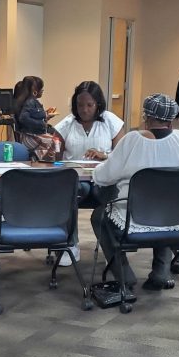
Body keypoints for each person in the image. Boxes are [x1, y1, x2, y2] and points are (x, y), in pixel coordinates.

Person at [90, 93, 179, 292]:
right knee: (163, 209)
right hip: (177, 217)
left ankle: (125, 277)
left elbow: (105, 176)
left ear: (146, 118)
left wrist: (96, 170)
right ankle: (160, 273)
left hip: (136, 218)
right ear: (172, 122)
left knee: (99, 217)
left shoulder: (132, 140)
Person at [52, 80, 126, 265]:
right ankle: (70, 244)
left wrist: (105, 155)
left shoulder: (109, 120)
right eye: (79, 105)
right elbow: (55, 157)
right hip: (76, 180)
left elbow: (123, 153)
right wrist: (50, 149)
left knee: (108, 195)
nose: (84, 110)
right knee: (71, 191)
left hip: (104, 179)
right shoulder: (68, 123)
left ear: (98, 105)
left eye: (89, 105)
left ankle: (116, 245)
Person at [13, 75, 57, 158]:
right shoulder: (30, 102)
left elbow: (34, 116)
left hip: (32, 135)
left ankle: (45, 161)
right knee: (57, 142)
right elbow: (24, 118)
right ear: (35, 91)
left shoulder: (29, 102)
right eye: (41, 88)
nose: (42, 90)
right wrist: (43, 123)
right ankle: (45, 162)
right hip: (29, 137)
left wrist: (45, 116)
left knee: (56, 138)